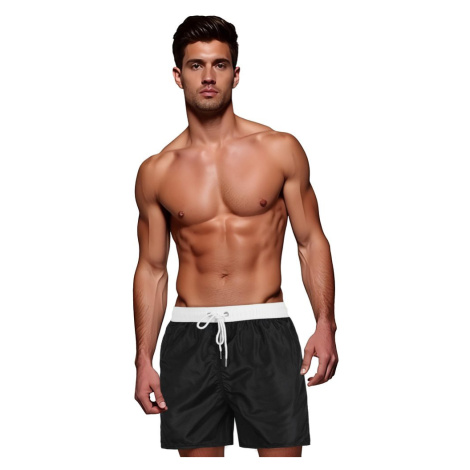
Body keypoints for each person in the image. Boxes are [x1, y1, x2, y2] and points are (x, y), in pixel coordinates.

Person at [133, 15, 338, 458]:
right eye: (196, 65)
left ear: (236, 74)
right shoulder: (157, 171)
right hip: (189, 337)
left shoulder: (279, 149)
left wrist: (325, 323)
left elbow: (310, 242)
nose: (208, 76)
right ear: (178, 75)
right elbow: (152, 269)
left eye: (220, 65)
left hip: (265, 329)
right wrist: (143, 358)